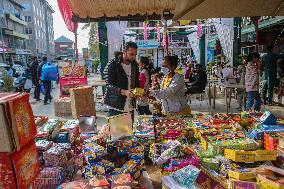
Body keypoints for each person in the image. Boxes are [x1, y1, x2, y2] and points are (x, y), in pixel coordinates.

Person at [104, 42, 140, 120]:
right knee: (116, 132)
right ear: (124, 52)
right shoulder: (113, 64)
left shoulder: (135, 66)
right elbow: (109, 85)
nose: (133, 57)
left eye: (135, 54)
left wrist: (138, 92)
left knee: (130, 132)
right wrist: (124, 92)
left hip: (130, 107)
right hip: (115, 107)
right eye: (131, 54)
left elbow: (136, 83)